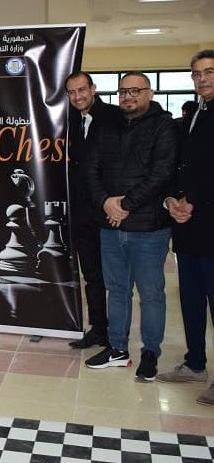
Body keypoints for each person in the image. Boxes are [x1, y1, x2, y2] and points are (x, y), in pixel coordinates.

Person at [85, 72, 177, 381]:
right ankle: (117, 349)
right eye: (123, 91)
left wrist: (124, 205)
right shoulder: (106, 126)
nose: (128, 96)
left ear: (150, 93)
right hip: (110, 226)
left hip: (149, 229)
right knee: (117, 290)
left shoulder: (163, 125)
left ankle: (150, 353)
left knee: (150, 294)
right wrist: (105, 202)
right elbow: (91, 169)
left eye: (136, 90)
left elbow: (161, 173)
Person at [156, 50, 214, 405]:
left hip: (209, 223)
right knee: (191, 300)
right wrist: (171, 200)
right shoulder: (194, 115)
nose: (202, 78)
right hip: (187, 227)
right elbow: (182, 166)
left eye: (209, 71)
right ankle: (195, 364)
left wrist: (192, 199)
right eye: (196, 73)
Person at [65, 71, 118, 349]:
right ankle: (99, 330)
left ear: (93, 88)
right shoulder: (71, 121)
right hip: (82, 215)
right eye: (72, 92)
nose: (78, 97)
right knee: (92, 276)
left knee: (117, 280)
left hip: (110, 212)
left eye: (82, 90)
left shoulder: (114, 117)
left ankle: (118, 336)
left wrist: (116, 203)